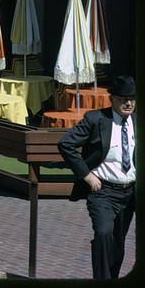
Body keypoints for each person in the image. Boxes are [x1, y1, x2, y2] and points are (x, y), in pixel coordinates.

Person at [58, 75, 136, 279]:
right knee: (103, 233)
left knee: (117, 242)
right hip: (103, 192)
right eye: (122, 99)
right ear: (112, 99)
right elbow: (66, 144)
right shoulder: (96, 119)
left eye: (132, 98)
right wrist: (86, 175)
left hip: (130, 193)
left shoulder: (137, 121)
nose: (128, 103)